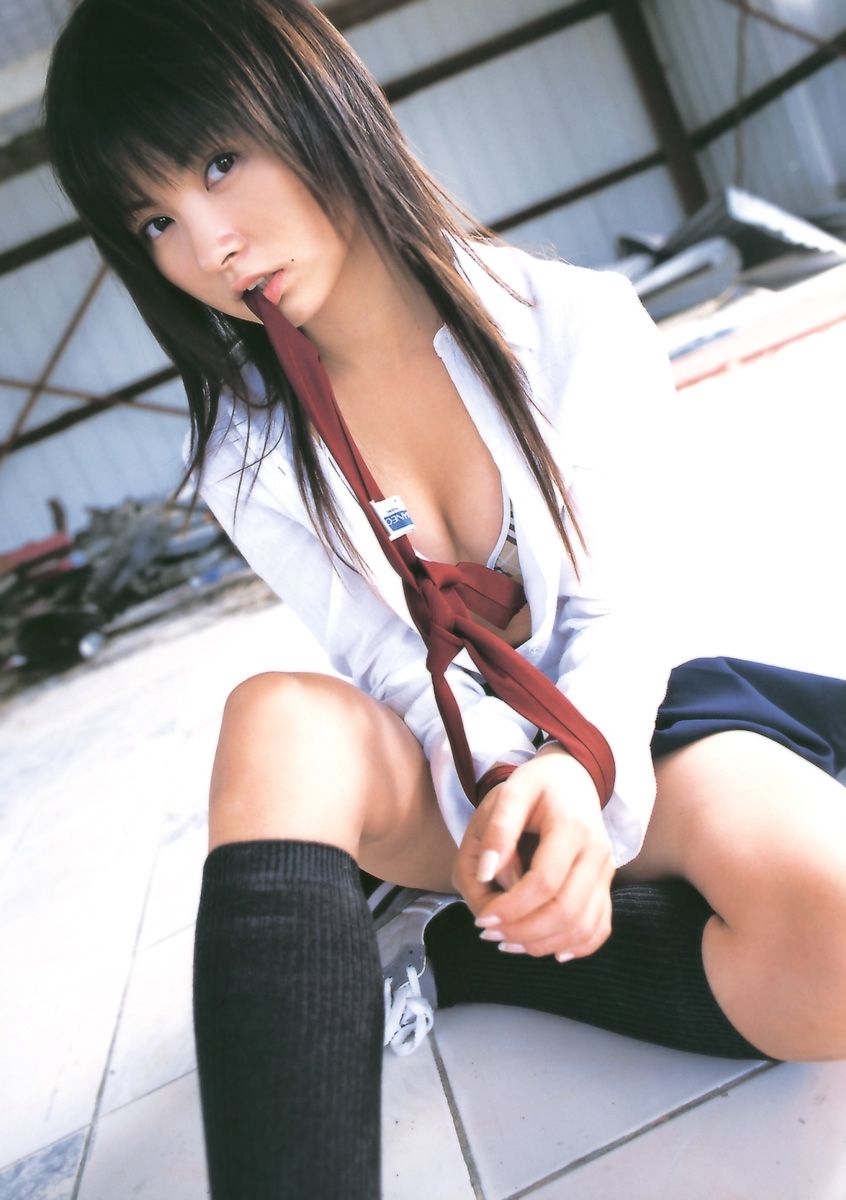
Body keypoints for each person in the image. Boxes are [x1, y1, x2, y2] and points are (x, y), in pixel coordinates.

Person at [45, 0, 846, 1195]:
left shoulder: (574, 326)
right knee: (279, 719)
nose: (210, 245)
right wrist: (502, 792)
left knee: (834, 939)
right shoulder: (248, 458)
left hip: (631, 727)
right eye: (155, 218)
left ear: (318, 100)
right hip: (450, 771)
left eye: (219, 162)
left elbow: (622, 618)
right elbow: (386, 663)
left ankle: (472, 954)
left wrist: (572, 778)